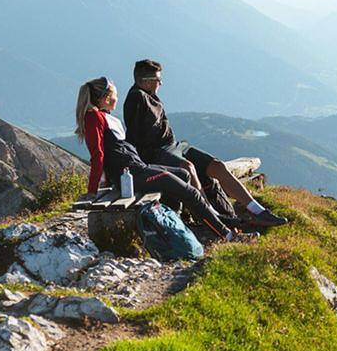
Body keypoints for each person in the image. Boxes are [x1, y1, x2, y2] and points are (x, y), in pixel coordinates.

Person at [122, 59, 288, 228]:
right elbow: (135, 137)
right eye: (158, 80)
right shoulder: (136, 98)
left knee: (217, 166)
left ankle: (258, 210)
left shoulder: (150, 94)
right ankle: (212, 215)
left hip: (174, 146)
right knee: (188, 167)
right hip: (155, 151)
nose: (161, 83)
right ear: (146, 81)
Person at [75, 76, 237, 241]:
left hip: (137, 169)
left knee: (183, 174)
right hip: (132, 175)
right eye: (115, 95)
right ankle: (226, 234)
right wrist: (92, 190)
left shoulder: (103, 116)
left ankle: (177, 225)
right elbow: (98, 155)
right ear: (106, 98)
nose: (117, 98)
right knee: (190, 192)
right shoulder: (93, 117)